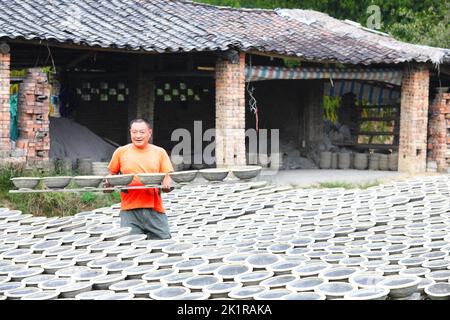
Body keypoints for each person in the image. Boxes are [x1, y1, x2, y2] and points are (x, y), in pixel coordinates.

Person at [106, 118, 174, 239]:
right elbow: (111, 175)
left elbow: (168, 175)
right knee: (131, 246)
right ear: (130, 132)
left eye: (142, 132)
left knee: (163, 241)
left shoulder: (159, 152)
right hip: (129, 210)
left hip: (154, 209)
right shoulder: (121, 152)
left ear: (149, 132)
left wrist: (167, 185)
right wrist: (108, 184)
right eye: (134, 132)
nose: (138, 135)